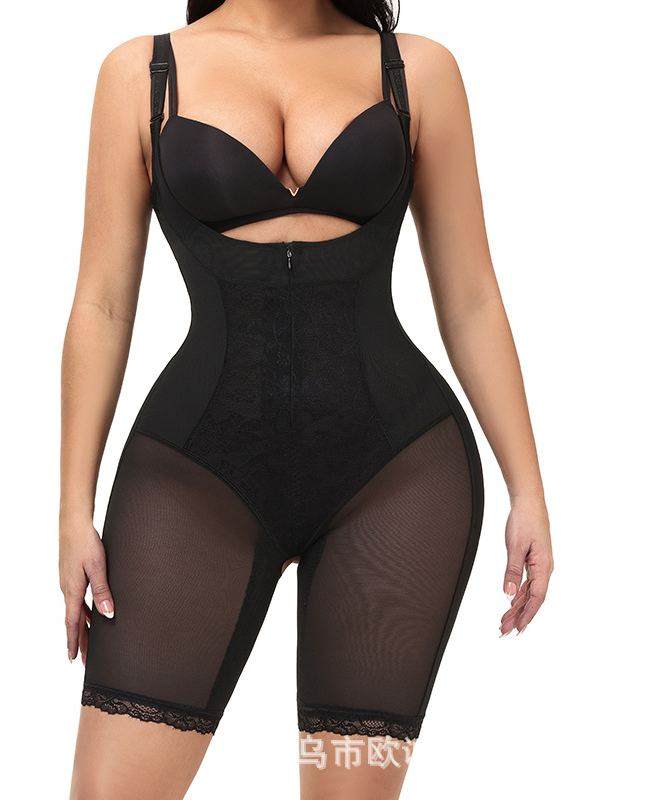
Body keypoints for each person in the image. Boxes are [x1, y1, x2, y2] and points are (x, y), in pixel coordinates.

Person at [60, 0, 554, 797]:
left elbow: (471, 299)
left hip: (394, 476)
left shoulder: (417, 70)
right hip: (196, 475)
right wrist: (72, 509)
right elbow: (103, 303)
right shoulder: (140, 73)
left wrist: (527, 488)